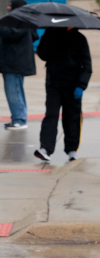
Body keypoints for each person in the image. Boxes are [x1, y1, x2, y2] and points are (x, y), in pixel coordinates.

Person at [35, 27, 92, 162]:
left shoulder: (79, 38)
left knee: (72, 117)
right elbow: (42, 54)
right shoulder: (49, 34)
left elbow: (87, 64)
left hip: (73, 85)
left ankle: (72, 150)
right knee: (51, 115)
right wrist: (55, 43)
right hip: (53, 84)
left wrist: (81, 85)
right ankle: (45, 149)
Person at [0, 0, 39, 130]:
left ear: (16, 7)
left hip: (14, 63)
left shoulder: (20, 21)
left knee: (13, 91)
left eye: (10, 5)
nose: (8, 7)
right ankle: (18, 118)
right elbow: (11, 37)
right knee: (16, 90)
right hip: (14, 62)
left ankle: (19, 120)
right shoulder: (22, 21)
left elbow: (11, 34)